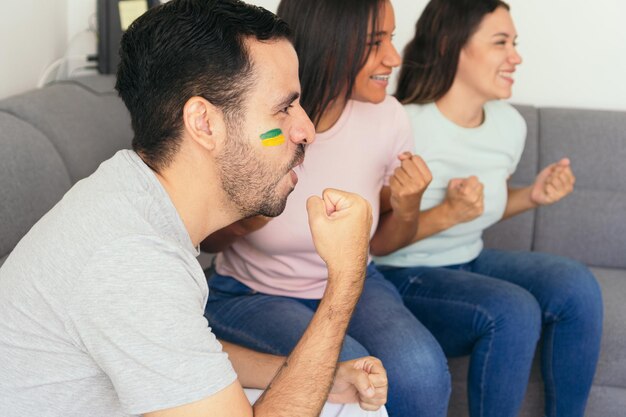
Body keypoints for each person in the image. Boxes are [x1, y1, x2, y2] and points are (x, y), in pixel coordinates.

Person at [0, 1, 390, 416]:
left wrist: (325, 376)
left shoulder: (135, 194)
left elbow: (180, 348)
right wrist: (345, 278)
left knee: (347, 404)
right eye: (284, 107)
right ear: (204, 123)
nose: (306, 130)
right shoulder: (130, 259)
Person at [201, 1, 448, 416]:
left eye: (390, 37)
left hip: (355, 280)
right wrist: (256, 210)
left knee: (421, 371)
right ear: (329, 44)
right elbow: (204, 238)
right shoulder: (261, 124)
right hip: (255, 292)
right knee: (354, 370)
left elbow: (383, 244)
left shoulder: (390, 119)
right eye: (375, 42)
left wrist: (408, 207)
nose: (394, 57)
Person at [374, 1, 604, 416]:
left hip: (469, 260)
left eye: (515, 43)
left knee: (576, 284)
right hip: (401, 276)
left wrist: (531, 195)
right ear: (450, 45)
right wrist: (449, 212)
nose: (515, 56)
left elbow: (481, 209)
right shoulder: (402, 125)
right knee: (513, 310)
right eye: (501, 42)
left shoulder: (507, 125)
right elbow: (372, 241)